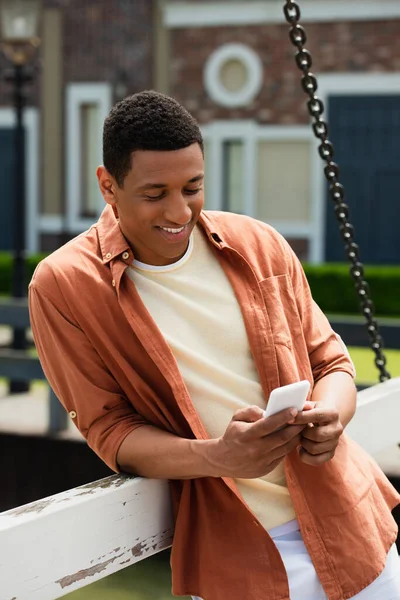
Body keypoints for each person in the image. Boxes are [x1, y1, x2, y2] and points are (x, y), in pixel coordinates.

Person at [29, 91, 400, 600]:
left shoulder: (259, 242)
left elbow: (331, 361)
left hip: (352, 524)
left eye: (193, 187)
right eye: (154, 193)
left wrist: (333, 414)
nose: (179, 211)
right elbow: (111, 432)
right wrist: (219, 456)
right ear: (107, 185)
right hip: (238, 554)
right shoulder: (63, 285)